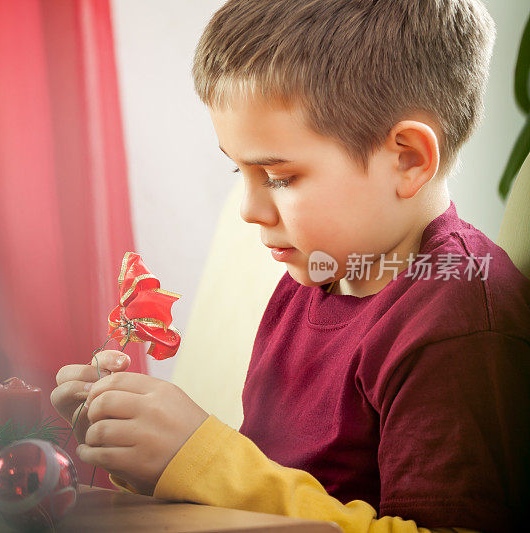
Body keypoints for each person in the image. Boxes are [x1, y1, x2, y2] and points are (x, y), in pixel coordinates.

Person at [50, 1, 530, 531]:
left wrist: (204, 459)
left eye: (278, 177)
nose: (249, 210)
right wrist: (146, 450)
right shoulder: (316, 276)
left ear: (408, 159)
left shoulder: (455, 317)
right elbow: (277, 486)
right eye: (240, 171)